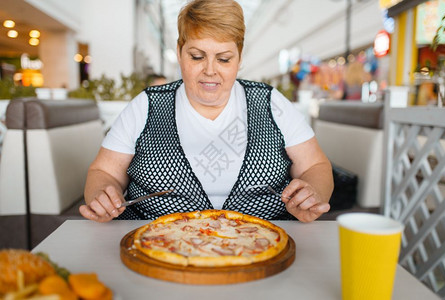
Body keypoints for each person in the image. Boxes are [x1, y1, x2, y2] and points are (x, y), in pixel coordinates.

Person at [80, 0, 333, 223]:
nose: (210, 70)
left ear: (239, 57)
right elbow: (103, 172)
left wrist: (312, 194)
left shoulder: (271, 103)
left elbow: (316, 165)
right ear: (180, 53)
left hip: (263, 248)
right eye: (197, 56)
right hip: (156, 248)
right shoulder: (146, 105)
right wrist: (103, 195)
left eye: (223, 59)